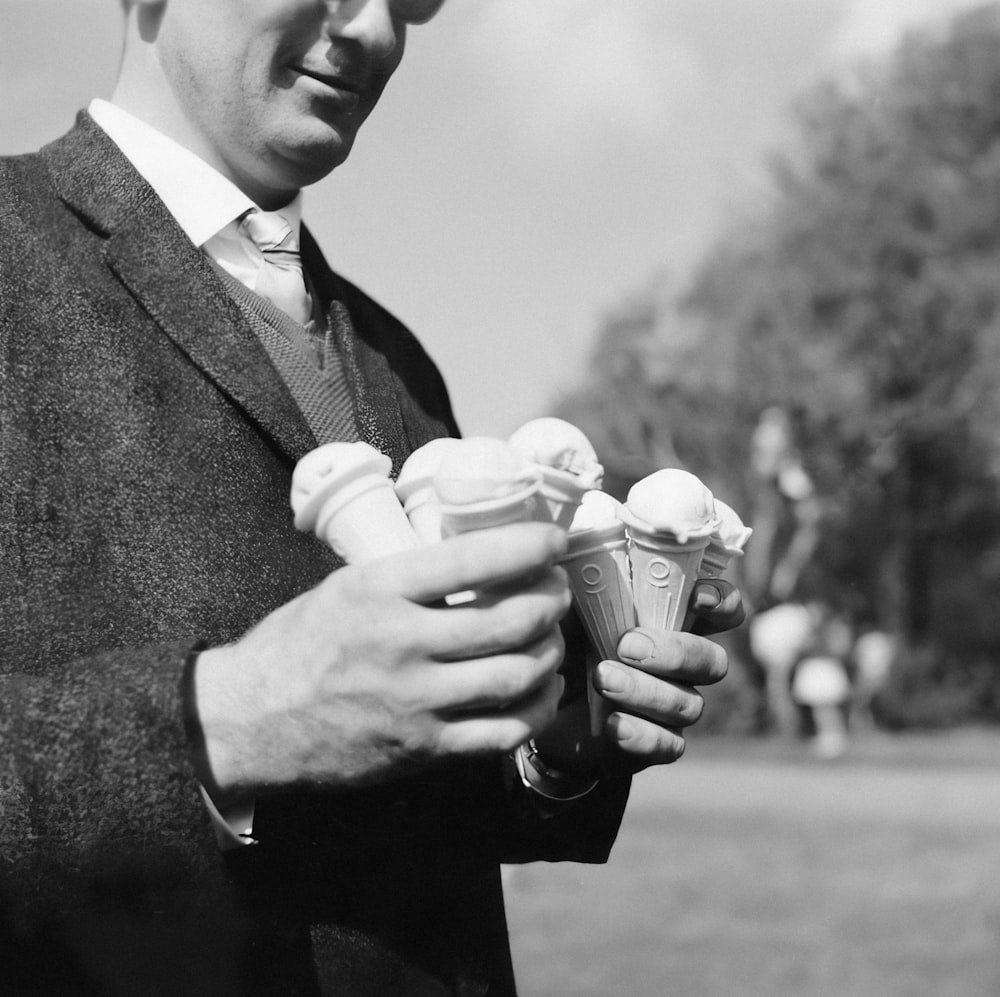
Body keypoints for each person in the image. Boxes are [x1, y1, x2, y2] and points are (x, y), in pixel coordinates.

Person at [0, 2, 743, 994]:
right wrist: (232, 720)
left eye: (407, 1)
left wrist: (556, 741)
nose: (375, 32)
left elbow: (412, 821)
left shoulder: (401, 363)